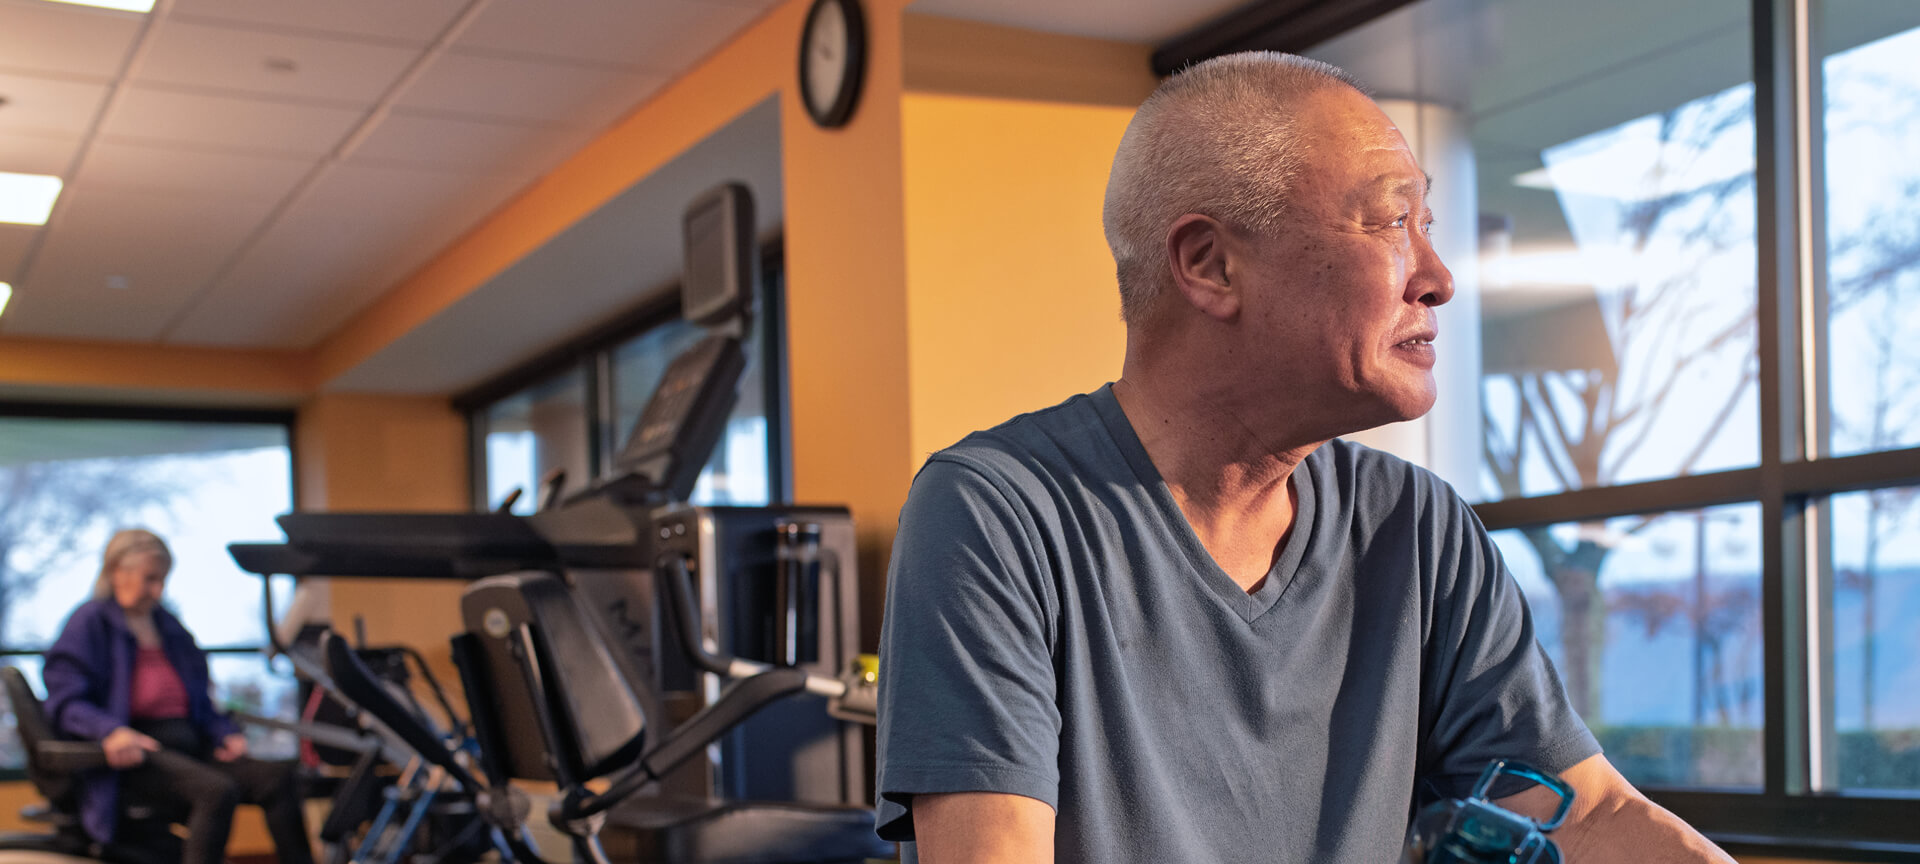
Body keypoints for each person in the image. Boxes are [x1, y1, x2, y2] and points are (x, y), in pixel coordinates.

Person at [873, 52, 1735, 863]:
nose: (1438, 277)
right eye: (1391, 221)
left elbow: (1588, 815)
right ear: (1211, 265)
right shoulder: (996, 515)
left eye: (1427, 224)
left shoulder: (1417, 528)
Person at [44, 528, 315, 864]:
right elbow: (65, 701)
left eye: (162, 580)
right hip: (136, 754)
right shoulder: (89, 623)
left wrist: (224, 733)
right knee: (215, 792)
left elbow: (201, 701)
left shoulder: (169, 627)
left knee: (276, 779)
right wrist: (110, 731)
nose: (158, 591)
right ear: (117, 572)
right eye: (149, 579)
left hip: (191, 746)